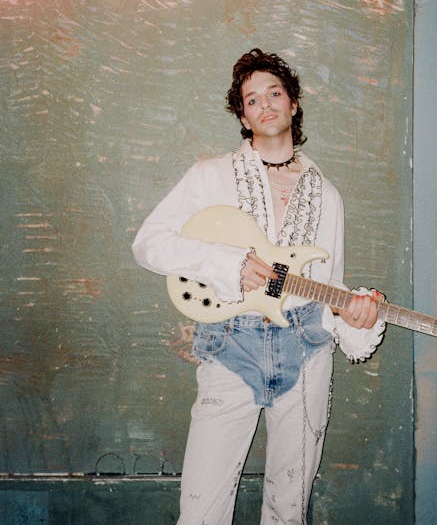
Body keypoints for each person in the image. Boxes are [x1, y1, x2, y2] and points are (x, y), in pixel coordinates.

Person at [132, 48, 385, 525]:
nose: (265, 104)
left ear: (293, 103)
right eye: (252, 99)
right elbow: (148, 244)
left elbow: (326, 286)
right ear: (242, 116)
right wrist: (227, 263)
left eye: (275, 93)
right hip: (231, 345)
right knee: (201, 509)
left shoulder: (326, 194)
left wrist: (356, 319)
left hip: (307, 351)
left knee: (289, 510)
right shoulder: (210, 175)